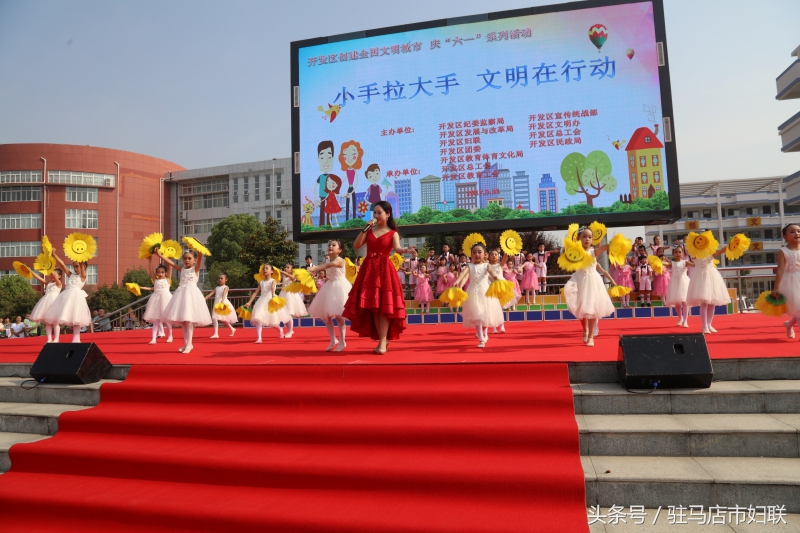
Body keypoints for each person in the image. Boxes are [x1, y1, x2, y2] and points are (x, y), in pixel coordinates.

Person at [343, 201, 409, 354]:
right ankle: (382, 340)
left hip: (384, 270)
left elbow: (397, 248)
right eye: (375, 213)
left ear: (388, 214)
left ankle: (383, 341)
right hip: (369, 270)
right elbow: (356, 245)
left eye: (380, 212)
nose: (376, 215)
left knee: (383, 307)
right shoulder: (369, 230)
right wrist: (365, 229)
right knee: (374, 307)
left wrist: (406, 250)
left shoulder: (393, 233)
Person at [563, 226, 616, 347]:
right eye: (584, 237)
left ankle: (591, 336)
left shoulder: (593, 251)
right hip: (579, 280)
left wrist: (611, 245)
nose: (587, 239)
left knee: (592, 309)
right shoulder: (575, 252)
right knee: (581, 308)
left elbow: (605, 247)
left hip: (592, 281)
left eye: (590, 237)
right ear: (579, 238)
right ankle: (585, 330)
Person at [157, 248, 212, 354]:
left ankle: (190, 343)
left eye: (189, 258)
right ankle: (186, 343)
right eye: (185, 258)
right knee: (183, 322)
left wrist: (199, 252)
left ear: (194, 260)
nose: (187, 260)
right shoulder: (182, 269)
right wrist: (159, 255)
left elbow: (200, 259)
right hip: (181, 295)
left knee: (189, 320)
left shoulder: (195, 269)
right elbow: (171, 263)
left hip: (191, 296)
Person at [453, 242, 503, 348]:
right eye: (474, 252)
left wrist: (495, 277)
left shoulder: (486, 265)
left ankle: (485, 334)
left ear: (485, 254)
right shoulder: (469, 265)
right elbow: (463, 273)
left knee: (485, 316)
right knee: (477, 316)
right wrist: (457, 281)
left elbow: (491, 273)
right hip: (473, 293)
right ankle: (481, 339)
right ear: (471, 254)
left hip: (485, 292)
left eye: (479, 252)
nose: (477, 254)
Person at [307, 240, 352, 351]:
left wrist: (315, 268)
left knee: (339, 316)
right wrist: (313, 271)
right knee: (326, 317)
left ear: (340, 250)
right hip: (329, 287)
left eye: (333, 245)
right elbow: (324, 265)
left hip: (340, 288)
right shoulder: (327, 260)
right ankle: (333, 340)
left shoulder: (340, 260)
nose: (330, 246)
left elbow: (328, 265)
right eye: (329, 245)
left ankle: (342, 341)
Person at [43, 253, 91, 343]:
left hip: (76, 297)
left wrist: (80, 257)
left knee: (77, 317)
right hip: (67, 296)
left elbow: (81, 264)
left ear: (83, 267)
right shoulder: (71, 275)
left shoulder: (83, 276)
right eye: (74, 267)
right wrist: (54, 255)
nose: (75, 269)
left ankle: (76, 339)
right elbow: (62, 265)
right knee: (70, 316)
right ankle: (72, 339)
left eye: (77, 266)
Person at [685, 240, 730, 334]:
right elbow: (691, 253)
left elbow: (720, 251)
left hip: (712, 277)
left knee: (712, 303)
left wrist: (730, 245)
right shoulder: (695, 252)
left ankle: (709, 324)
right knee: (704, 303)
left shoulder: (711, 251)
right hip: (700, 279)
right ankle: (704, 325)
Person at [245, 264, 293, 342]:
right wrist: (249, 302)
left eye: (267, 268)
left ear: (271, 271)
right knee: (258, 318)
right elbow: (255, 293)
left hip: (270, 301)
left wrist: (274, 296)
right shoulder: (261, 282)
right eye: (263, 269)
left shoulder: (273, 281)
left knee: (272, 321)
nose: (265, 270)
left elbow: (273, 289)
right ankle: (259, 338)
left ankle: (280, 329)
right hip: (261, 301)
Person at [772, 223, 800, 340]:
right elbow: (780, 270)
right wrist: (776, 287)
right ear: (785, 236)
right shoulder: (783, 251)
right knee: (798, 308)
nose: (796, 233)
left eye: (798, 231)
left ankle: (789, 324)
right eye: (792, 232)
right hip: (790, 281)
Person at [141, 258, 174, 345]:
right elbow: (150, 270)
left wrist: (169, 259)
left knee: (167, 321)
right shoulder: (155, 281)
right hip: (156, 301)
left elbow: (170, 267)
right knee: (156, 320)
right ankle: (153, 339)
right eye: (158, 272)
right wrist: (150, 260)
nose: (160, 274)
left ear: (165, 273)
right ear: (156, 273)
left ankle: (170, 336)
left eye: (162, 272)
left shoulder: (168, 280)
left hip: (166, 300)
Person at [29, 268, 63, 343]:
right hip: (46, 303)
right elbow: (39, 278)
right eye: (50, 274)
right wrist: (31, 272)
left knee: (55, 322)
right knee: (47, 323)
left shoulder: (58, 283)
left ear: (59, 276)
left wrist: (49, 269)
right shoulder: (49, 283)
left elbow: (55, 277)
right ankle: (49, 339)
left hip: (55, 303)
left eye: (54, 274)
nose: (51, 275)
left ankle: (56, 339)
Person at [662, 247, 692, 327]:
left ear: (683, 254)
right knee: (677, 303)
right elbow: (663, 263)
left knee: (685, 302)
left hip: (684, 283)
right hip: (674, 283)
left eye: (679, 252)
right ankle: (680, 318)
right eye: (676, 252)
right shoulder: (672, 263)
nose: (678, 254)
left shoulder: (685, 262)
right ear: (673, 254)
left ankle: (685, 320)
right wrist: (656, 260)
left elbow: (694, 265)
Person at [204, 272, 237, 339]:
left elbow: (224, 293)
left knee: (219, 318)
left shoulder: (226, 287)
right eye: (219, 278)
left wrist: (222, 300)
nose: (220, 279)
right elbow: (210, 294)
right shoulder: (216, 288)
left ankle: (216, 334)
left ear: (226, 279)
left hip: (223, 303)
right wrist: (204, 299)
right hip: (217, 304)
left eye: (222, 278)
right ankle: (232, 329)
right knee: (218, 318)